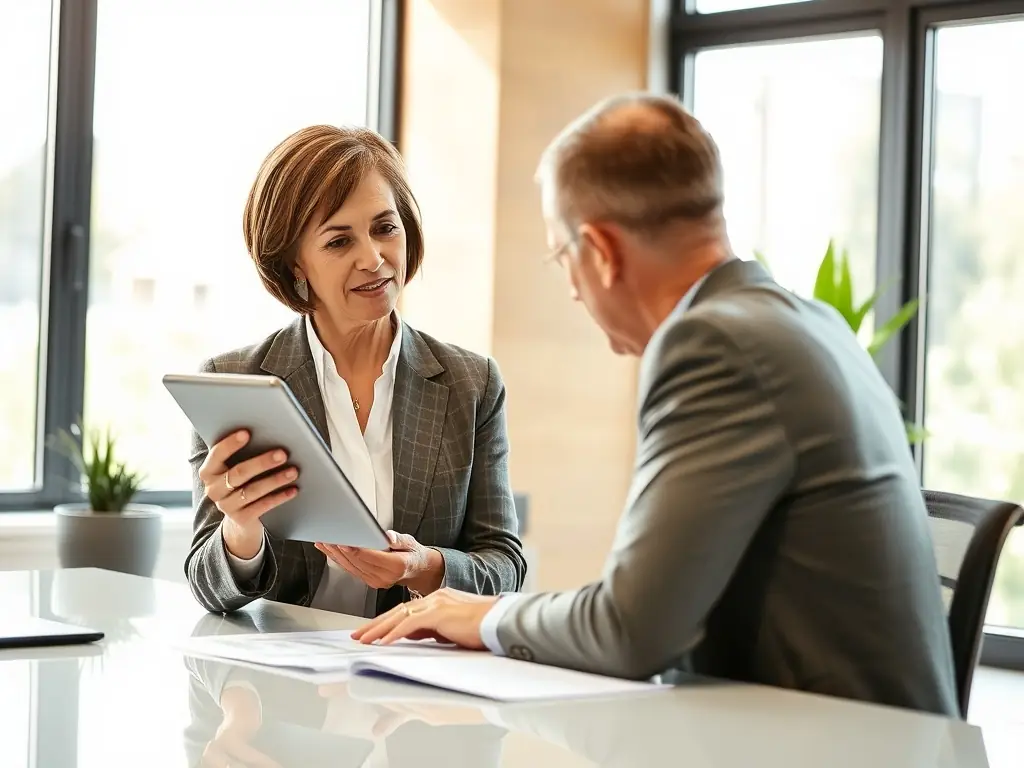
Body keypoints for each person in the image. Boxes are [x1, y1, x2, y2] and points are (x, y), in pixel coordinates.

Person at [353, 94, 959, 716]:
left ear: (602, 252)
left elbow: (630, 630)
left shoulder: (712, 345)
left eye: (564, 258)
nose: (571, 290)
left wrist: (482, 616)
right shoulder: (809, 321)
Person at [184, 125, 527, 618]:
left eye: (385, 228)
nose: (373, 258)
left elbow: (506, 567)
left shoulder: (470, 383)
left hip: (411, 676)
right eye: (339, 241)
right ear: (295, 264)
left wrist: (422, 567)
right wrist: (240, 528)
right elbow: (209, 590)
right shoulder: (234, 381)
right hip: (282, 682)